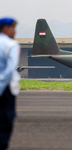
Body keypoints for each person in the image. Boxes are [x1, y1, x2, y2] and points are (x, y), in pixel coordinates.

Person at [0, 17, 20, 149]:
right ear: (6, 28)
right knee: (6, 119)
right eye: (13, 28)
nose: (15, 31)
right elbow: (10, 69)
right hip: (6, 88)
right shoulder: (11, 45)